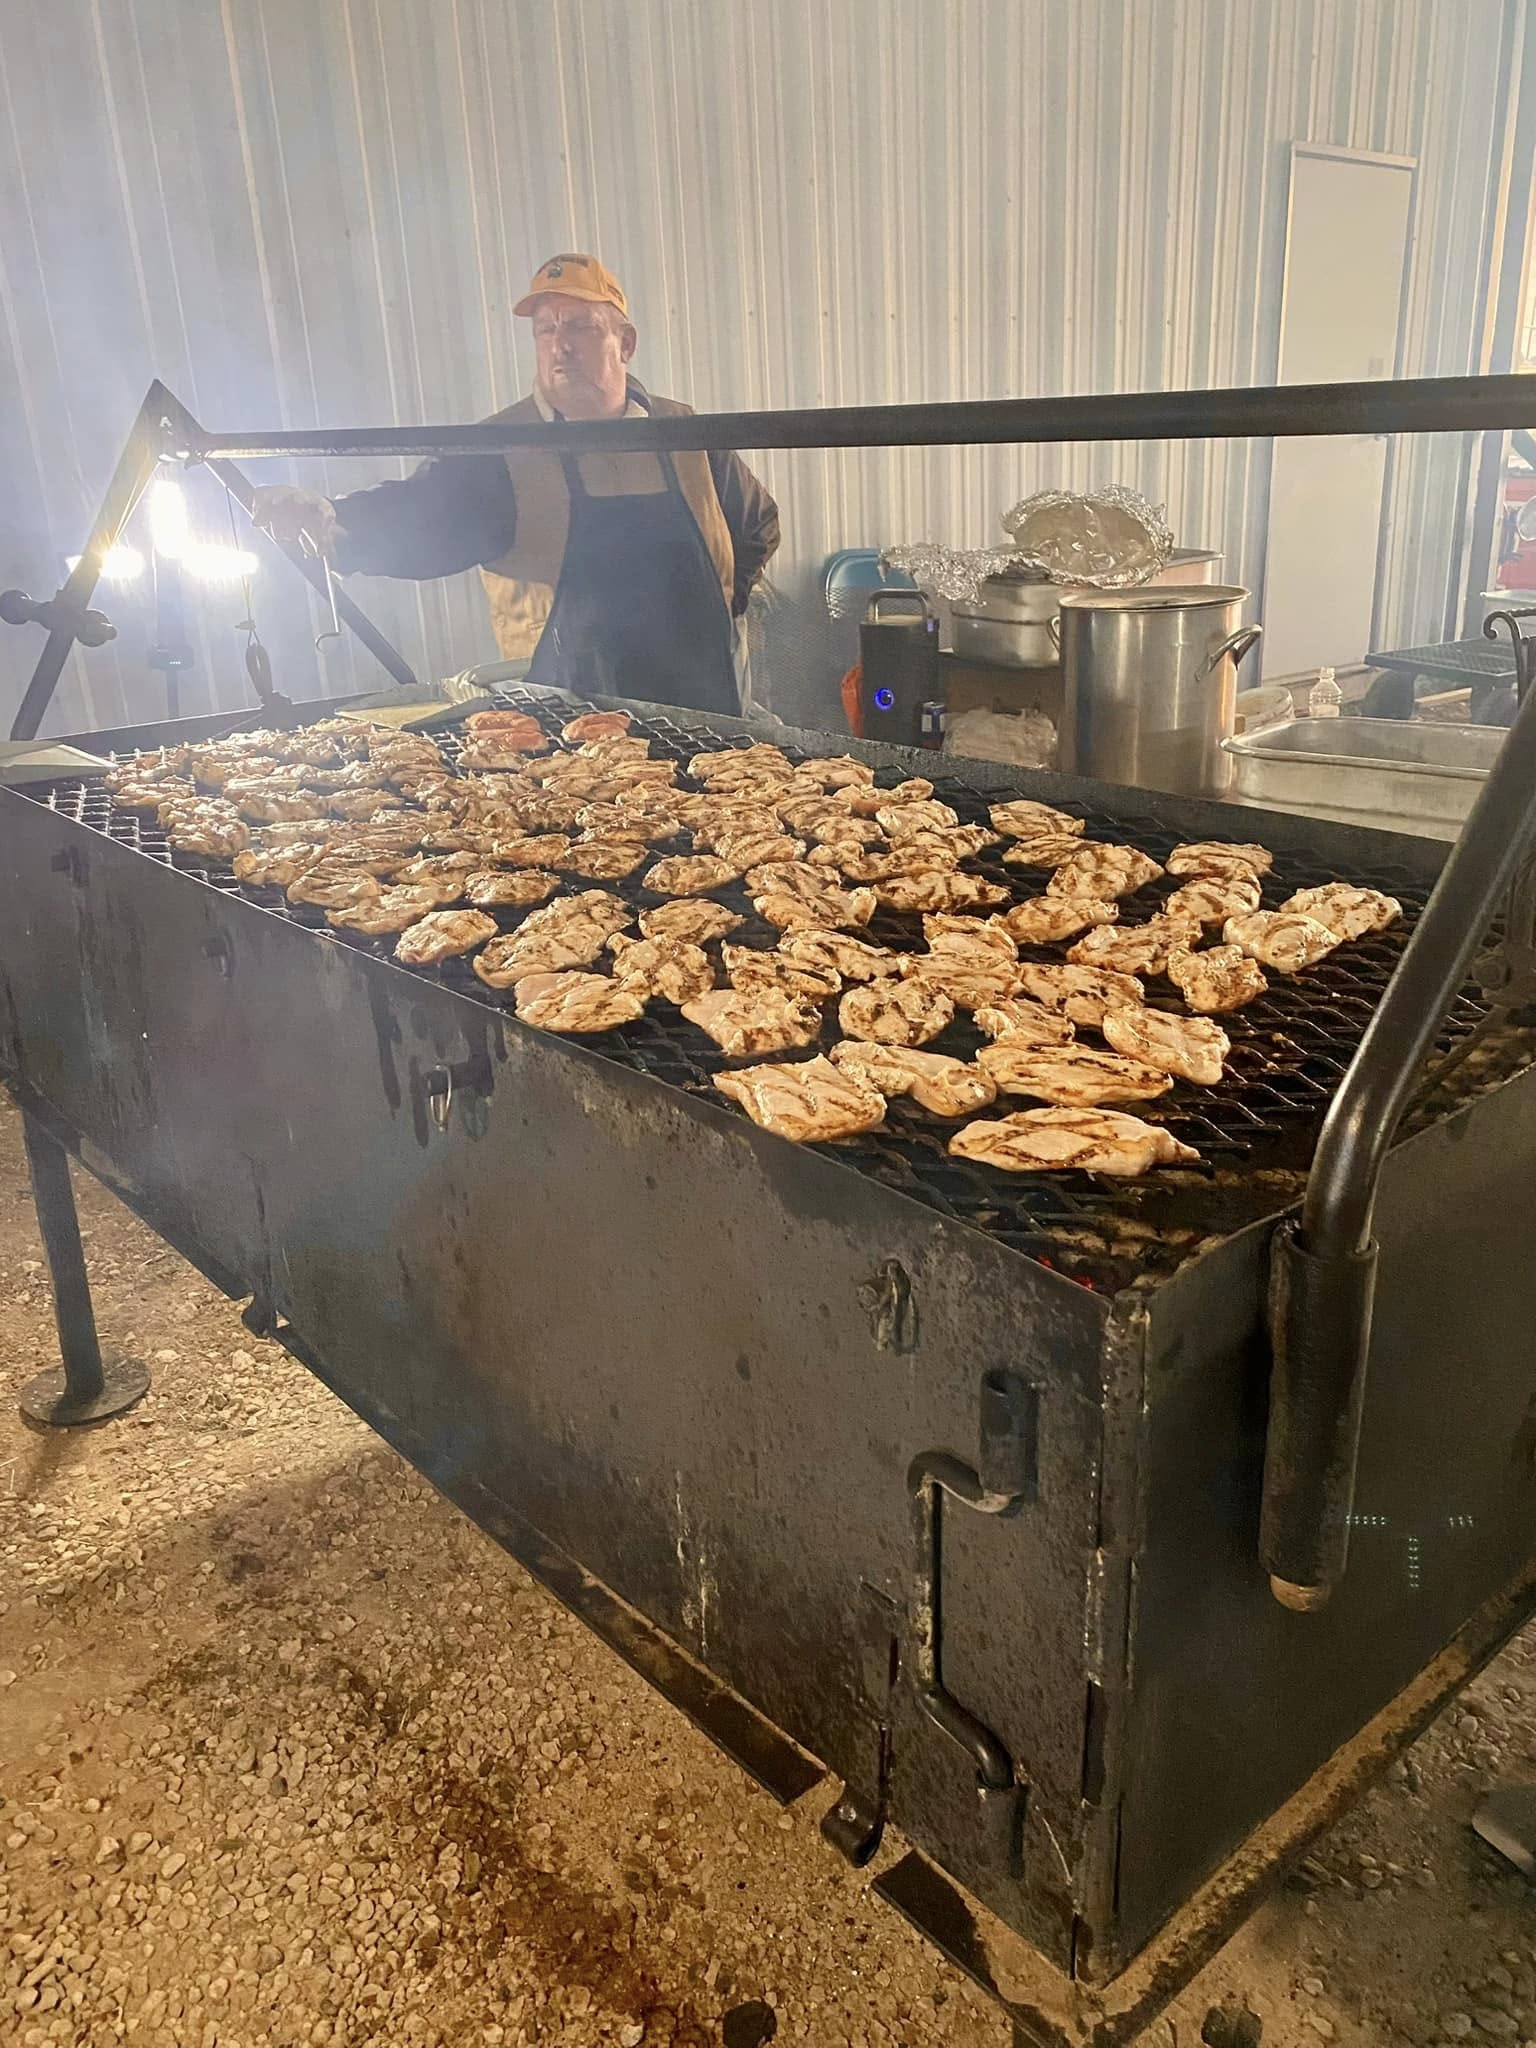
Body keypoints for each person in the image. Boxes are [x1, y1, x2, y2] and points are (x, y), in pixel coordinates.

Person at [252, 253, 779, 715]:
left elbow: (756, 523)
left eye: (580, 327)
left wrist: (722, 606)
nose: (560, 346)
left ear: (626, 342)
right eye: (546, 330)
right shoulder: (502, 448)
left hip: (705, 710)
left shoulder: (685, 431)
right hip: (566, 716)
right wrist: (334, 517)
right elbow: (422, 516)